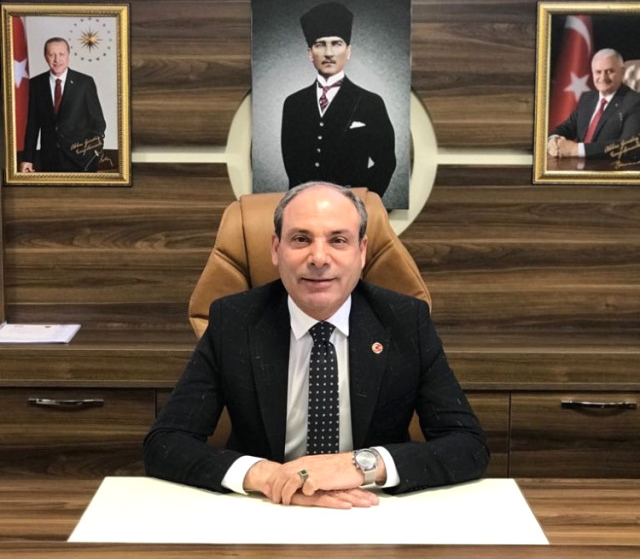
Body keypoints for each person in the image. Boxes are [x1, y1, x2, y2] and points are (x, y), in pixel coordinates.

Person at [144, 182, 489, 509]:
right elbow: (166, 442)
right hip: (265, 508)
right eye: (301, 239)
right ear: (276, 249)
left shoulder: (404, 321)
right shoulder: (234, 321)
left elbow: (467, 445)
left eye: (338, 240)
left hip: (369, 508)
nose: (319, 258)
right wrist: (269, 477)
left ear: (361, 252)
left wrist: (360, 465)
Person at [280, 2, 396, 197]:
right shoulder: (293, 104)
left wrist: (360, 199)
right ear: (310, 53)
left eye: (336, 43)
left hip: (351, 206)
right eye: (320, 44)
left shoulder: (370, 103)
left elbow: (386, 162)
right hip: (304, 205)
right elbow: (292, 165)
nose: (329, 53)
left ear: (348, 51)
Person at [19, 37, 106, 173]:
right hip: (49, 160)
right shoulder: (36, 84)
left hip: (81, 162)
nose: (57, 59)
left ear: (68, 55)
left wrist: (89, 155)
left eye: (61, 54)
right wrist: (27, 159)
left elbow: (98, 124)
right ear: (45, 57)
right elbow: (32, 125)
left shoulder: (85, 83)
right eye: (51, 54)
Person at [547, 48, 640, 160]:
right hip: (576, 166)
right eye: (598, 72)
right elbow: (566, 127)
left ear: (623, 72)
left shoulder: (634, 102)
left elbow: (629, 146)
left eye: (610, 71)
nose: (603, 78)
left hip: (608, 168)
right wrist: (554, 140)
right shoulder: (588, 98)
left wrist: (576, 149)